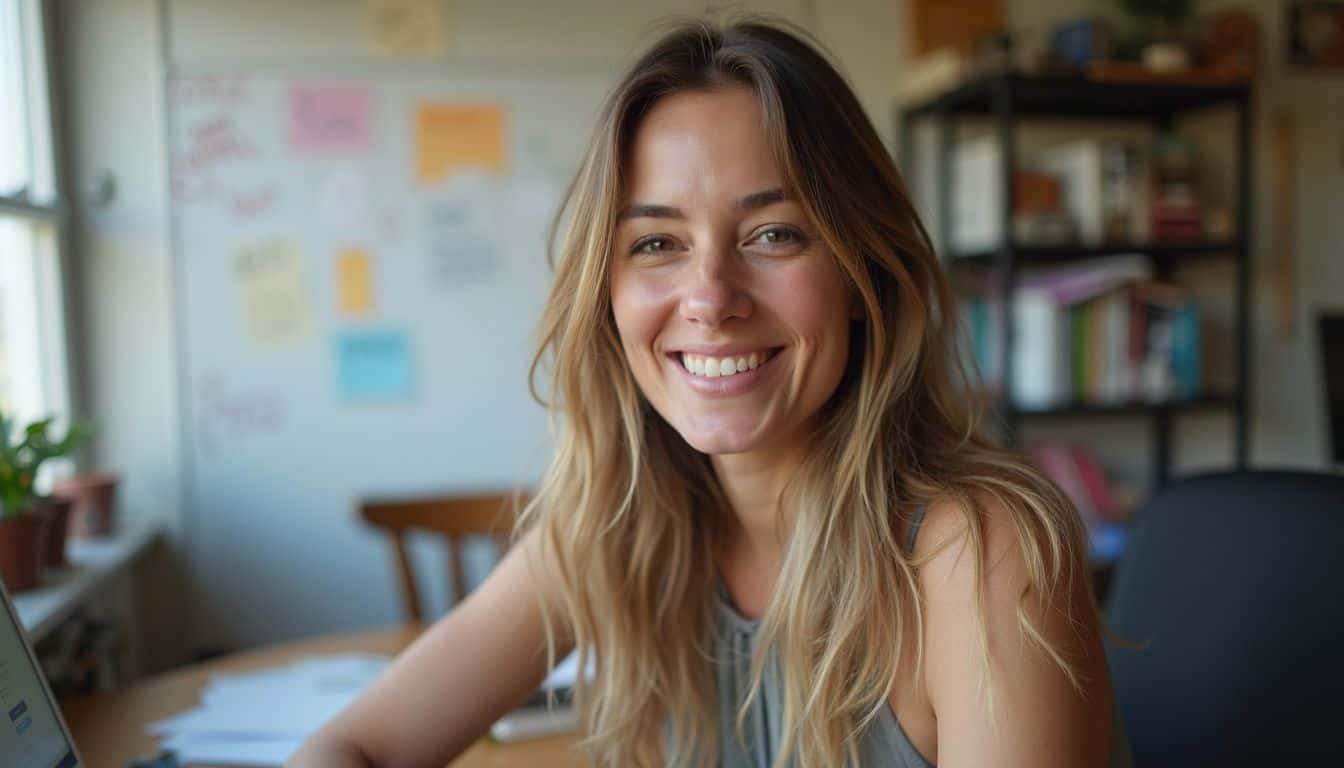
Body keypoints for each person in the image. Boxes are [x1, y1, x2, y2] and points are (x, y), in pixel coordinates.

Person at [289, 17, 1129, 768]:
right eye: (657, 242)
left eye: (774, 233)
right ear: (605, 291)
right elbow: (353, 744)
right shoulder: (621, 528)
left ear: (864, 268)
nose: (709, 297)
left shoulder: (983, 551)